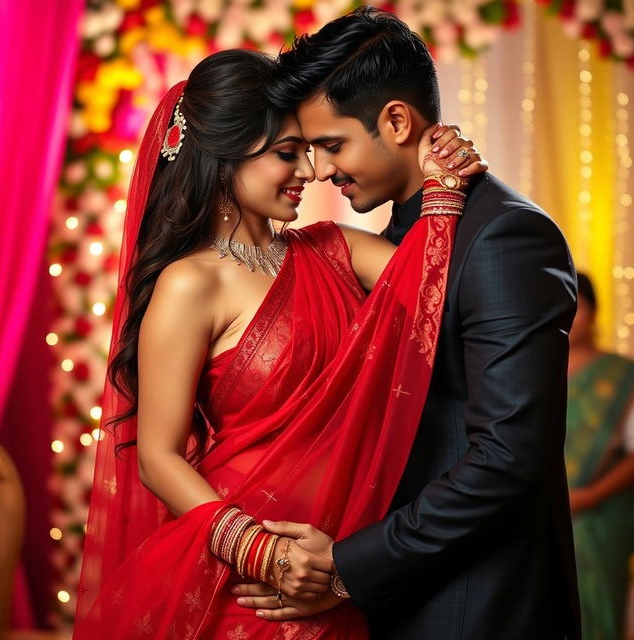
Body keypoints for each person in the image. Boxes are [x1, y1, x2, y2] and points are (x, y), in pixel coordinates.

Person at [72, 48, 487, 638]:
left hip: (337, 565)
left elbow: (437, 300)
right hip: (247, 582)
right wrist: (264, 553)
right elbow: (158, 456)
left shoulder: (336, 249)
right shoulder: (192, 282)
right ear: (223, 160)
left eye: (313, 152)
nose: (312, 171)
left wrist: (441, 183)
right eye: (288, 154)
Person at [234, 8, 582, 640]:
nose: (321, 171)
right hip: (392, 601)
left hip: (475, 606)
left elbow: (509, 457)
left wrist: (346, 568)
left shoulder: (505, 235)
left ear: (396, 120)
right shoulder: (391, 238)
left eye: (333, 145)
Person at [566, 272, 634, 640]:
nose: (569, 313)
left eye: (578, 304)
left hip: (600, 516)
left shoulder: (621, 376)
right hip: (535, 512)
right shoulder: (531, 370)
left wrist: (591, 496)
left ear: (594, 311)